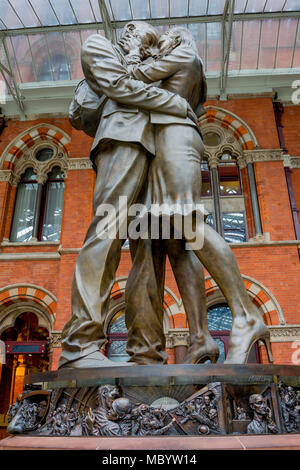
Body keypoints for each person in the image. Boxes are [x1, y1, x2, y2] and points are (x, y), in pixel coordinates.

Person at [125, 26, 274, 365]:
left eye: (161, 40)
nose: (156, 44)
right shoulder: (185, 66)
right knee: (176, 240)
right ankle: (200, 338)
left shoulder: (183, 53)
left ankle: (245, 315)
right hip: (168, 141)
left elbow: (133, 78)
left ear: (175, 39)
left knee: (184, 220)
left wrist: (136, 49)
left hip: (174, 139)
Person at [58, 21, 198, 369]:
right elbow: (120, 86)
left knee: (149, 251)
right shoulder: (98, 46)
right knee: (106, 233)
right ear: (127, 33)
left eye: (151, 43)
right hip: (122, 141)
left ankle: (147, 352)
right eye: (141, 37)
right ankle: (80, 344)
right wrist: (175, 104)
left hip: (155, 153)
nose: (145, 45)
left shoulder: (151, 65)